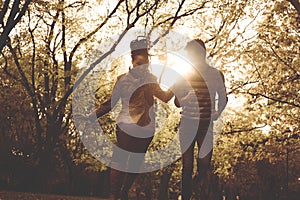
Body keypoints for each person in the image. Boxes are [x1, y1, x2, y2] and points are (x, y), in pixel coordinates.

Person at [86, 37, 173, 200]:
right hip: (126, 124)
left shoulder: (151, 80)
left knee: (136, 163)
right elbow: (109, 104)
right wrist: (91, 117)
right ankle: (113, 195)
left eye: (145, 62)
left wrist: (176, 86)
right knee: (120, 157)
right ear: (133, 61)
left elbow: (165, 97)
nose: (143, 66)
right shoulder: (122, 79)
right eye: (139, 62)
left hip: (146, 127)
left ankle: (123, 192)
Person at [173, 39, 228, 200]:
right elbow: (177, 103)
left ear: (202, 54)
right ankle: (186, 196)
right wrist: (184, 96)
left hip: (206, 125)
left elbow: (223, 98)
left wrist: (217, 112)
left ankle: (192, 187)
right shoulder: (184, 76)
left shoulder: (216, 74)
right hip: (187, 124)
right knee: (187, 166)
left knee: (204, 165)